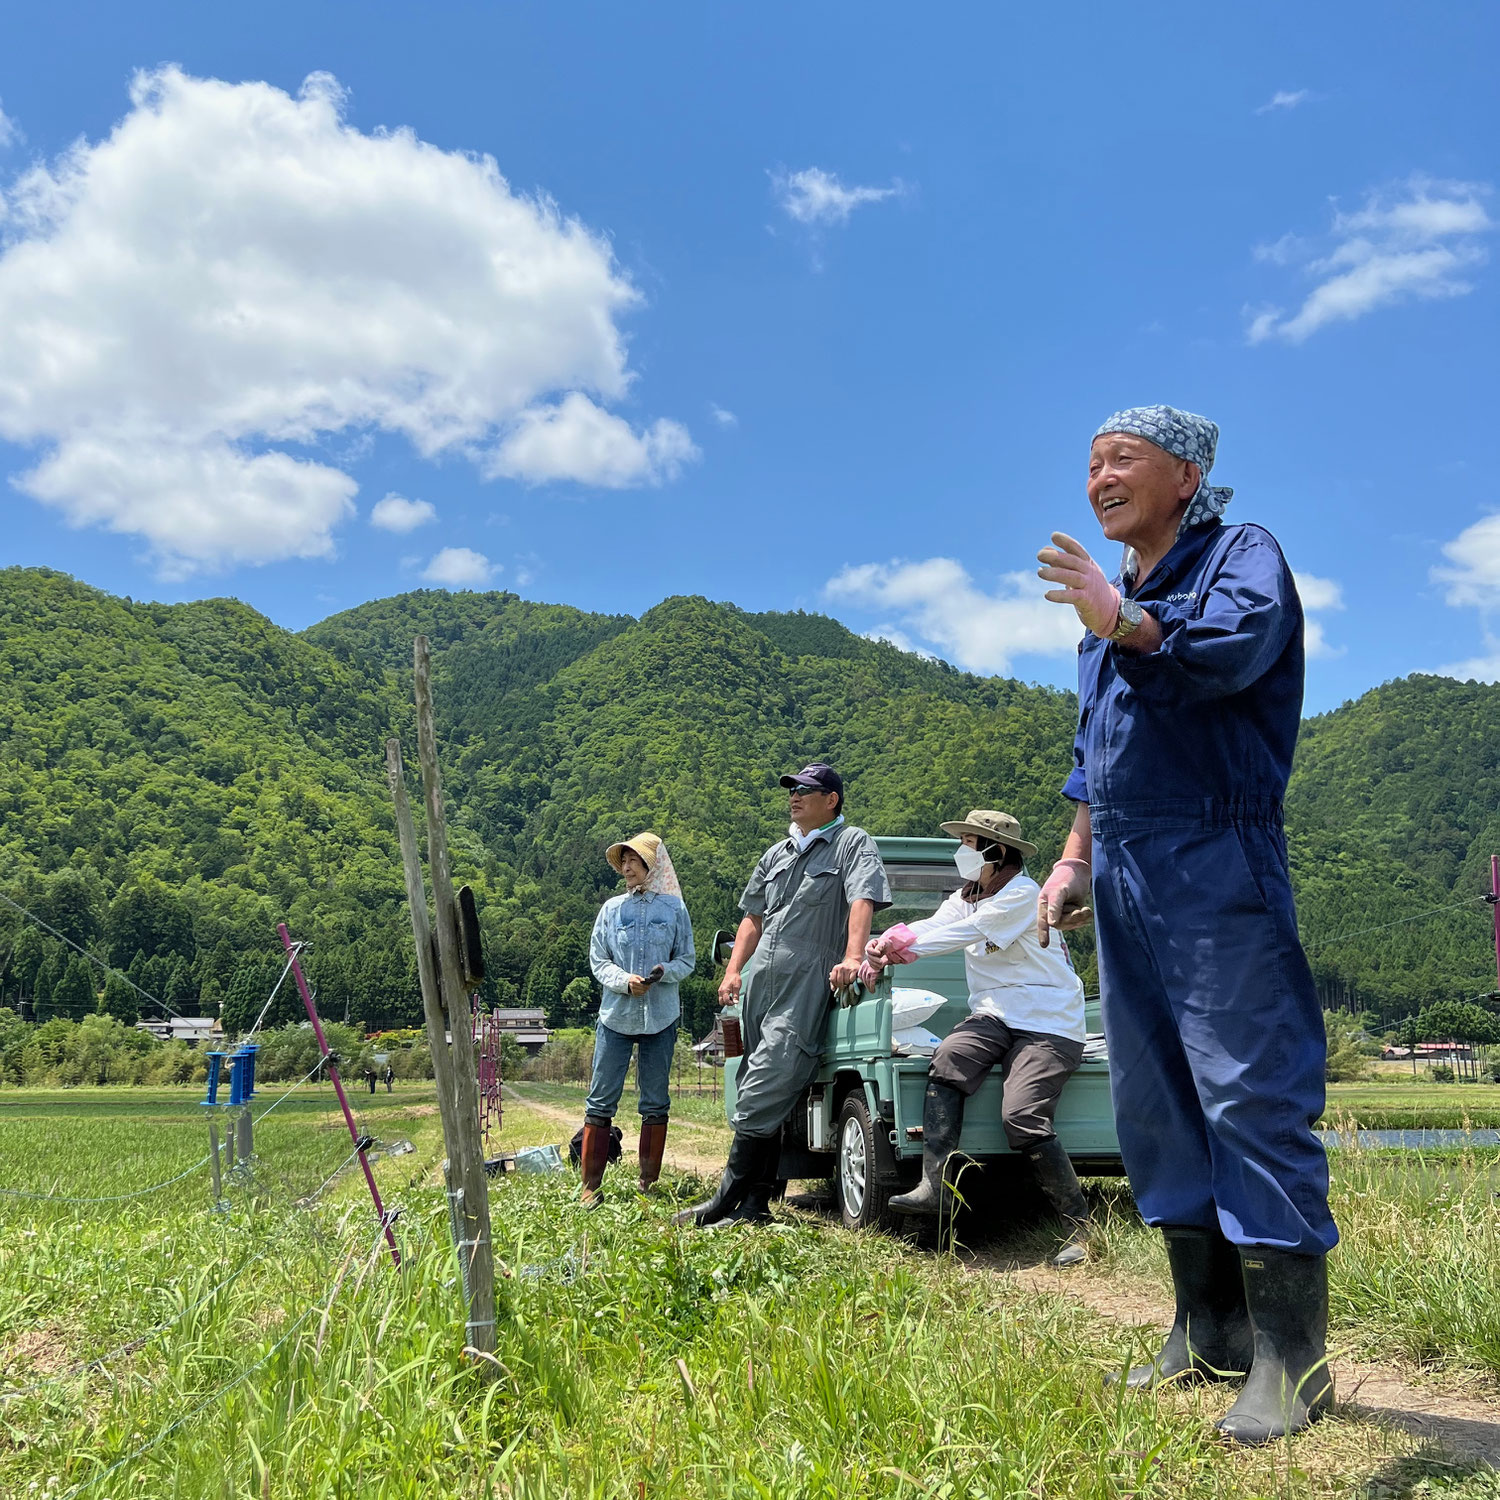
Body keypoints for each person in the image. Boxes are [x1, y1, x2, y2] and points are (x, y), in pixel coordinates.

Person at [1034, 405, 1337, 1444]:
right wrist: (1072, 858)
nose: (1100, 478)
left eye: (1122, 460)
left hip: (1216, 853)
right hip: (1121, 864)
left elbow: (1230, 652)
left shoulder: (1237, 556)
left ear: (1187, 473)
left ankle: (1292, 1359)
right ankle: (1204, 1330)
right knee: (1154, 1099)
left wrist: (1123, 621)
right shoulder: (1113, 605)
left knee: (1248, 1089)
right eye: (1089, 465)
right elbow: (1094, 750)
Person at [861, 809, 1091, 1266]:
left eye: (970, 842)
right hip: (994, 1013)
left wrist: (899, 952)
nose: (962, 851)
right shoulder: (967, 895)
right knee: (947, 1059)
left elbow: (966, 934)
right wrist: (885, 941)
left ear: (996, 851)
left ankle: (1080, 1226)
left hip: (1049, 1020)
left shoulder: (1023, 894)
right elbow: (934, 925)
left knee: (1022, 1116)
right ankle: (935, 1188)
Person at [674, 763, 891, 1229]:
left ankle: (724, 1199)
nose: (793, 797)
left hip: (806, 977)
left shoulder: (852, 843)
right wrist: (734, 970)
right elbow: (753, 918)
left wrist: (853, 956)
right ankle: (755, 1207)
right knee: (762, 1085)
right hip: (760, 980)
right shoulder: (777, 853)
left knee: (764, 1083)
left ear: (831, 799)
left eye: (804, 790)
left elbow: (862, 900)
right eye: (791, 790)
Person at [579, 832, 696, 1206]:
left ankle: (648, 1182)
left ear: (652, 866)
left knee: (656, 1102)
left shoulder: (675, 910)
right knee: (600, 1102)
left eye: (634, 861)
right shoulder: (611, 910)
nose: (627, 868)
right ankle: (589, 1187)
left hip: (661, 1017)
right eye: (623, 862)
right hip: (616, 1016)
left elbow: (687, 960)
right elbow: (599, 961)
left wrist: (664, 971)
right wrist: (624, 981)